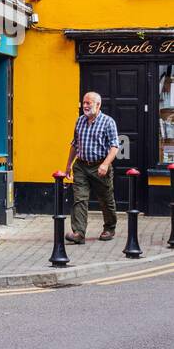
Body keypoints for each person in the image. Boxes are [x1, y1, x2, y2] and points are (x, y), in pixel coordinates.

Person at [63, 91, 120, 243]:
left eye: (89, 103)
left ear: (98, 105)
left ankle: (109, 228)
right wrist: (68, 165)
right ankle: (79, 233)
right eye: (84, 102)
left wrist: (105, 164)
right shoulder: (80, 121)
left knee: (105, 199)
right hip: (81, 166)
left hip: (99, 166)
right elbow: (75, 144)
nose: (85, 106)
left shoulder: (108, 122)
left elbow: (114, 146)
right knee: (79, 199)